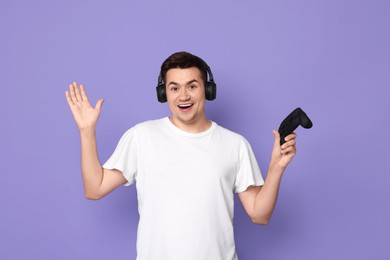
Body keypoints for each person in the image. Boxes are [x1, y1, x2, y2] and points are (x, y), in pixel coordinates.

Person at [65, 51, 297, 260]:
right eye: (174, 88)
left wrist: (276, 167)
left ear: (207, 90)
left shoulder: (235, 144)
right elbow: (95, 189)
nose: (183, 96)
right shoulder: (142, 136)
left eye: (192, 86)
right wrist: (87, 132)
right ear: (164, 93)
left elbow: (260, 215)